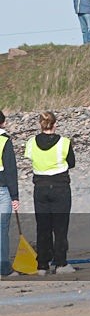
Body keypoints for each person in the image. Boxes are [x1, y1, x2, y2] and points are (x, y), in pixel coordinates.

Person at [24, 112, 76, 275]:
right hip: (59, 186)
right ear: (55, 124)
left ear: (41, 124)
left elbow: (30, 158)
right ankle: (60, 263)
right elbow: (71, 163)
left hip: (40, 187)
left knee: (43, 227)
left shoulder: (31, 142)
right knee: (60, 227)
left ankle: (42, 265)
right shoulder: (64, 142)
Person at [0, 110, 20, 277]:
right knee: (2, 229)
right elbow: (11, 170)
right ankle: (4, 267)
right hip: (3, 189)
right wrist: (15, 196)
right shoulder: (5, 141)